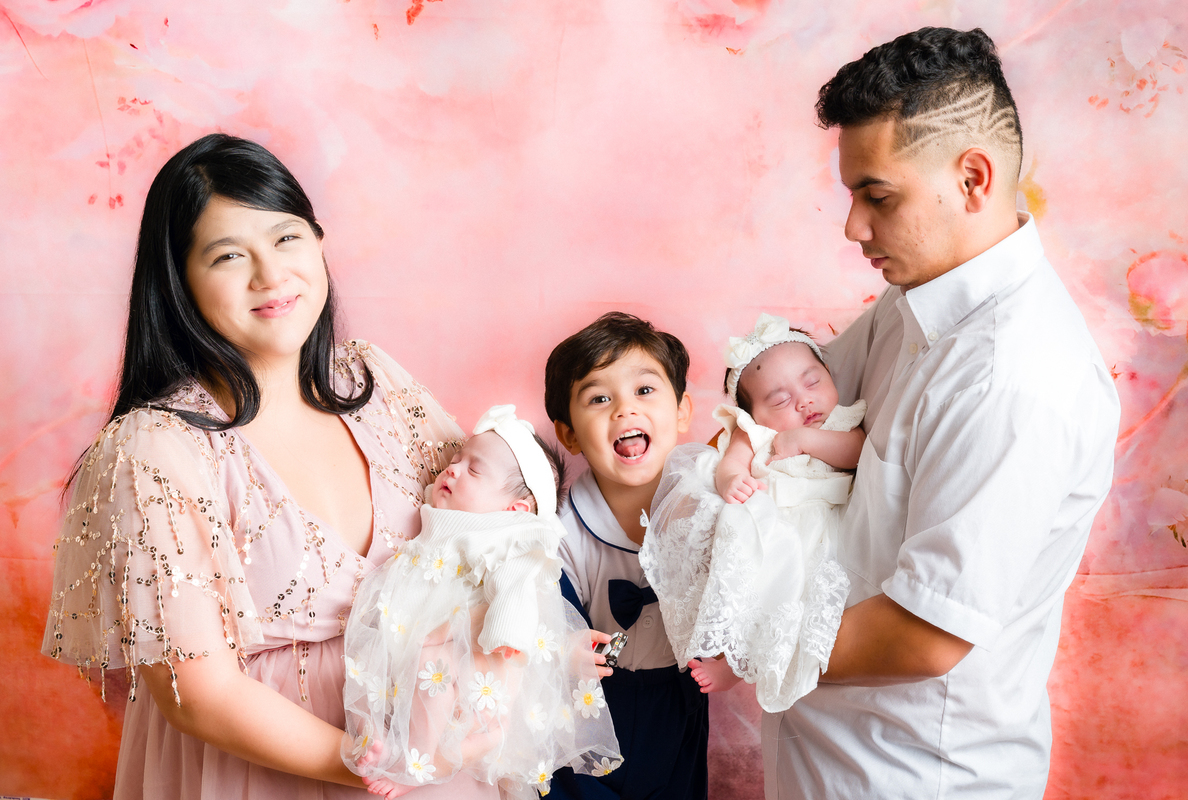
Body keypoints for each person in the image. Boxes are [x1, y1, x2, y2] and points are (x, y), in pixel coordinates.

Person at [41, 133, 500, 798]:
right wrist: (376, 766)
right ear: (178, 281)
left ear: (318, 242)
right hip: (264, 776)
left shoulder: (378, 384)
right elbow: (197, 693)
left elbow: (491, 537)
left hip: (433, 760)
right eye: (229, 255)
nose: (270, 275)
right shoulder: (155, 449)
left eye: (286, 238)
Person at [759, 27, 1121, 799]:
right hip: (827, 764)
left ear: (973, 179)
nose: (854, 227)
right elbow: (797, 404)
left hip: (914, 778)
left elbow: (924, 634)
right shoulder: (912, 301)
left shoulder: (1016, 381)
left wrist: (738, 635)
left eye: (877, 196)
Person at [342, 405, 621, 798]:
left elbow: (517, 586)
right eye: (456, 460)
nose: (453, 469)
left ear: (516, 510)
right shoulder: (442, 511)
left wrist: (506, 633)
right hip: (416, 626)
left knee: (431, 669)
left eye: (474, 470)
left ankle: (420, 761)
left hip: (474, 650)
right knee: (375, 668)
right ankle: (384, 738)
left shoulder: (510, 537)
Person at [641, 311, 864, 712]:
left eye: (813, 382)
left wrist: (806, 438)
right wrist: (731, 480)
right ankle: (731, 660)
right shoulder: (754, 431)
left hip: (814, 523)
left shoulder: (841, 422)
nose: (803, 400)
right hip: (767, 517)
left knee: (795, 594)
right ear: (754, 413)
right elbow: (731, 462)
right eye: (779, 400)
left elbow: (856, 452)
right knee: (743, 571)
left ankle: (754, 662)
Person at [542, 312, 707, 800]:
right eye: (599, 398)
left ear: (682, 411)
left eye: (645, 390)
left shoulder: (709, 504)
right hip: (587, 705)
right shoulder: (559, 530)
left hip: (680, 698)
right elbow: (544, 625)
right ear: (569, 434)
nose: (624, 409)